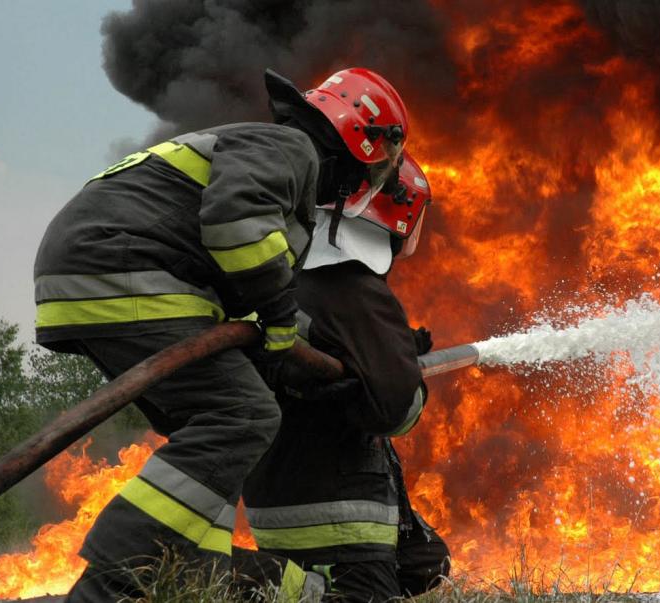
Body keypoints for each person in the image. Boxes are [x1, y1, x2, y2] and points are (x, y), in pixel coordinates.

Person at [33, 66, 409, 602]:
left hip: (98, 269)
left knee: (211, 437)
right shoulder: (290, 148)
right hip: (124, 265)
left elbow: (242, 286)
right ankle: (112, 581)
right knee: (245, 416)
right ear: (365, 141)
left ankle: (181, 572)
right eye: (379, 168)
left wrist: (303, 346)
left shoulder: (271, 158)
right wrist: (280, 317)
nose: (368, 185)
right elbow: (236, 226)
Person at [242, 153, 450, 602]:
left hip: (275, 496)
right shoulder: (354, 287)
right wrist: (404, 374)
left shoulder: (290, 277)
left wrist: (389, 353)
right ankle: (291, 590)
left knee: (429, 563)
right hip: (337, 511)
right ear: (401, 216)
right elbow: (396, 410)